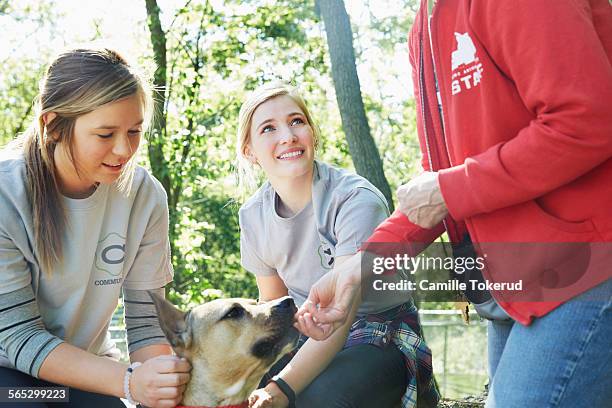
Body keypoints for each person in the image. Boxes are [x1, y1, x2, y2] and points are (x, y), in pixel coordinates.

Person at [298, 0, 612, 407]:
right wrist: (360, 267)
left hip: (586, 267)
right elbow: (439, 180)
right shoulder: (422, 29)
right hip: (513, 286)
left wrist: (452, 188)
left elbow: (586, 120)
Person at [0, 47, 191, 408]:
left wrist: (161, 391)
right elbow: (18, 337)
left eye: (134, 131)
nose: (124, 150)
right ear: (52, 125)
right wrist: (131, 383)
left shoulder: (144, 196)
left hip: (85, 371)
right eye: (105, 134)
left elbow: (147, 321)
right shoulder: (5, 196)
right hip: (9, 377)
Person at [236, 83, 439, 408]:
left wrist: (279, 390)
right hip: (307, 339)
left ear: (312, 132)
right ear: (250, 151)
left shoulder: (355, 199)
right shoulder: (253, 216)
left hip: (381, 338)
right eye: (269, 128)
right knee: (239, 386)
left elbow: (340, 315)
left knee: (320, 398)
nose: (287, 135)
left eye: (297, 121)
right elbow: (276, 310)